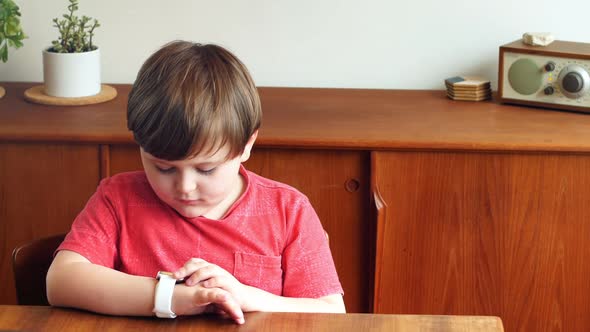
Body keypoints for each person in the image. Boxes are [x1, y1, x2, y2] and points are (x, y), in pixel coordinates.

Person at [46, 41, 345, 324]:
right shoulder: (118, 198)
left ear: (246, 146)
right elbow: (61, 280)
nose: (185, 187)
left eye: (206, 170)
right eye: (164, 168)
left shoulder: (287, 210)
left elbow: (331, 312)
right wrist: (170, 298)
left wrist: (245, 296)